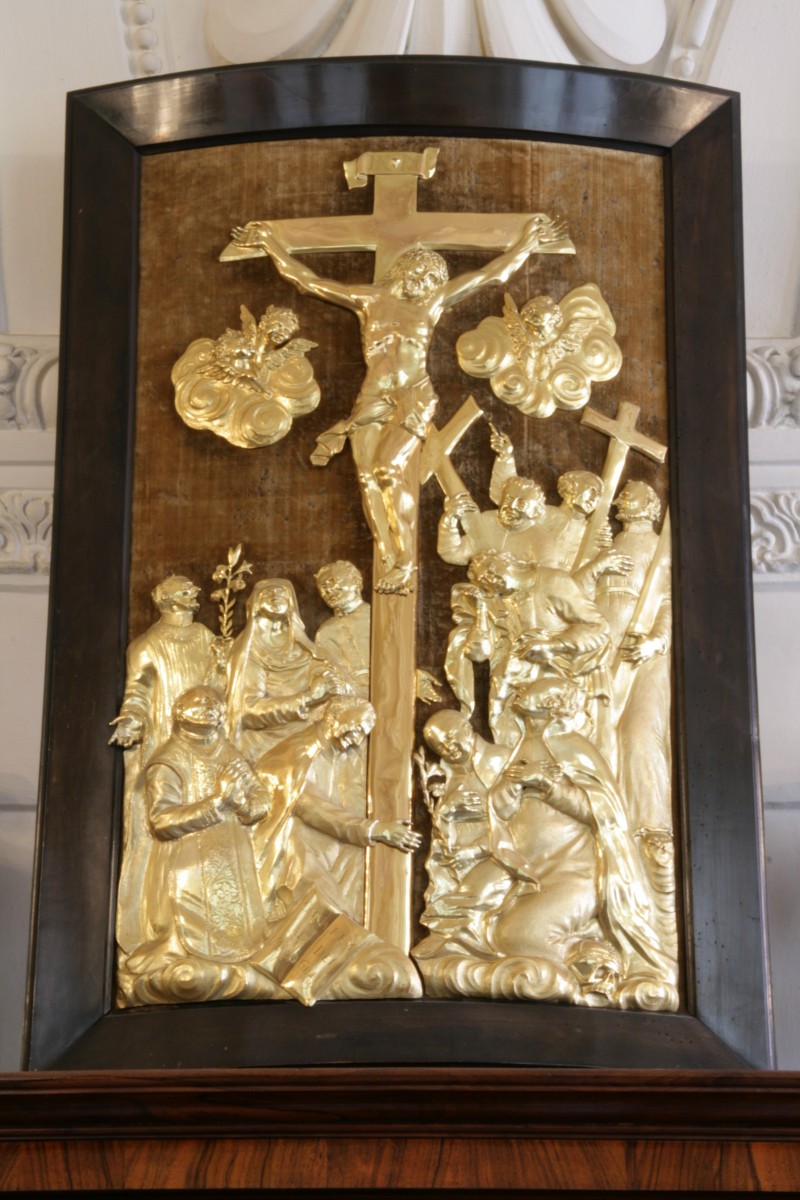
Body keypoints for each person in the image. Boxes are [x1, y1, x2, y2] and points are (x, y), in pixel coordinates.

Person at [231, 215, 572, 593]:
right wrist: (271, 245)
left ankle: (406, 561)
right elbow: (309, 282)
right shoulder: (370, 299)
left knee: (387, 469)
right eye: (420, 275)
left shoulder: (431, 305)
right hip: (372, 395)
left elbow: (490, 274)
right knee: (366, 478)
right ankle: (389, 555)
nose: (424, 285)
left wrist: (526, 243)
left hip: (413, 394)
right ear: (405, 270)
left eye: (432, 281)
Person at [118, 685, 277, 1003]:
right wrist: (216, 803)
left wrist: (245, 806)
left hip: (231, 855)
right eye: (198, 701)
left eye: (215, 703)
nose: (209, 706)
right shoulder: (168, 760)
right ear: (179, 712)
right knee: (192, 929)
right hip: (188, 858)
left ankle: (238, 963)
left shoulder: (227, 753)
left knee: (240, 924)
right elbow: (161, 821)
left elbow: (259, 796)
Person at [110, 574, 220, 956]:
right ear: (166, 599)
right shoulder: (148, 644)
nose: (196, 593)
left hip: (209, 739)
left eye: (194, 589)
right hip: (166, 740)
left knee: (213, 817)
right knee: (169, 821)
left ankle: (212, 915)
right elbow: (137, 690)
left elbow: (221, 680)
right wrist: (131, 720)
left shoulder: (207, 636)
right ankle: (163, 917)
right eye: (187, 590)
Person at [226, 578, 348, 761]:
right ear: (256, 605)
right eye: (267, 594)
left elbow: (326, 674)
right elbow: (246, 710)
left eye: (282, 594)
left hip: (311, 735)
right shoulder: (250, 652)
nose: (276, 597)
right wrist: (307, 698)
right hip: (266, 745)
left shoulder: (303, 647)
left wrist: (328, 679)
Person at [314, 560, 370, 697]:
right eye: (323, 587)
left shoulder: (380, 617)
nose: (328, 590)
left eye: (334, 582)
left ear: (357, 582)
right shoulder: (326, 631)